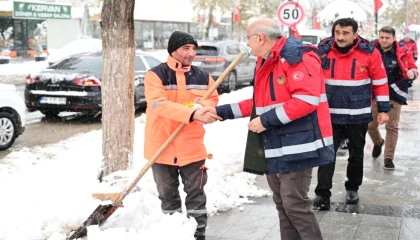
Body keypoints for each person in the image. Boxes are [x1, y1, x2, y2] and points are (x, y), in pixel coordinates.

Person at [205, 18, 333, 240]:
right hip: (276, 144)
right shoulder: (266, 61)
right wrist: (221, 111)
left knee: (295, 205)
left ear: (260, 38)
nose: (248, 43)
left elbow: (306, 99)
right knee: (283, 204)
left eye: (248, 38)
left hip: (298, 145)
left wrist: (266, 121)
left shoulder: (296, 57)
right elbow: (259, 104)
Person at [143, 31, 221, 240]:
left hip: (192, 146)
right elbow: (158, 104)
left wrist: (204, 106)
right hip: (161, 146)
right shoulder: (155, 75)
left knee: (196, 195)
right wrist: (192, 112)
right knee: (167, 197)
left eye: (193, 49)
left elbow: (212, 99)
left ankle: (198, 234)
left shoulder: (203, 76)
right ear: (173, 50)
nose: (191, 53)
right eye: (186, 48)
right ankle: (174, 234)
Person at [313, 18, 391, 210]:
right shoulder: (322, 51)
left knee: (356, 155)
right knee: (326, 156)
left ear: (355, 34)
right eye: (337, 32)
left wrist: (383, 110)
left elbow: (380, 81)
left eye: (345, 33)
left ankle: (352, 188)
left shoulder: (369, 53)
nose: (340, 37)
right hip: (329, 115)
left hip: (358, 115)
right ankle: (322, 194)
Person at [368, 26, 418, 170]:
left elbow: (413, 68)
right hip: (374, 92)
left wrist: (412, 74)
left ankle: (388, 158)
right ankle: (378, 142)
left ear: (393, 38)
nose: (384, 40)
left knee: (392, 126)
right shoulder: (371, 49)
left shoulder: (402, 51)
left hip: (394, 92)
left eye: (387, 38)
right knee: (370, 125)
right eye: (381, 37)